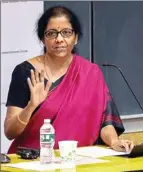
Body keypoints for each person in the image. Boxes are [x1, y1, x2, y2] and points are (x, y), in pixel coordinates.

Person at [4, 6, 134, 154]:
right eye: (51, 34)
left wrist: (114, 141)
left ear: (76, 37)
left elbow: (105, 121)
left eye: (66, 33)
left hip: (78, 160)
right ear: (42, 39)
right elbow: (10, 132)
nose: (59, 39)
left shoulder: (91, 73)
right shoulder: (26, 72)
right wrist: (31, 106)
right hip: (32, 161)